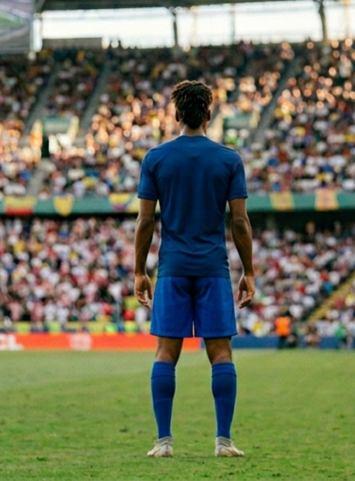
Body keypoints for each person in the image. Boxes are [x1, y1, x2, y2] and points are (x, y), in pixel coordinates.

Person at [134, 80, 255, 459]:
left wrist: (140, 270)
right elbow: (239, 222)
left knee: (165, 352)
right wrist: (248, 271)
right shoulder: (229, 159)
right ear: (208, 114)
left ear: (176, 114)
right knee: (220, 352)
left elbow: (145, 222)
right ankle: (223, 441)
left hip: (171, 268)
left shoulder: (155, 158)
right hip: (213, 269)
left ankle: (163, 441)